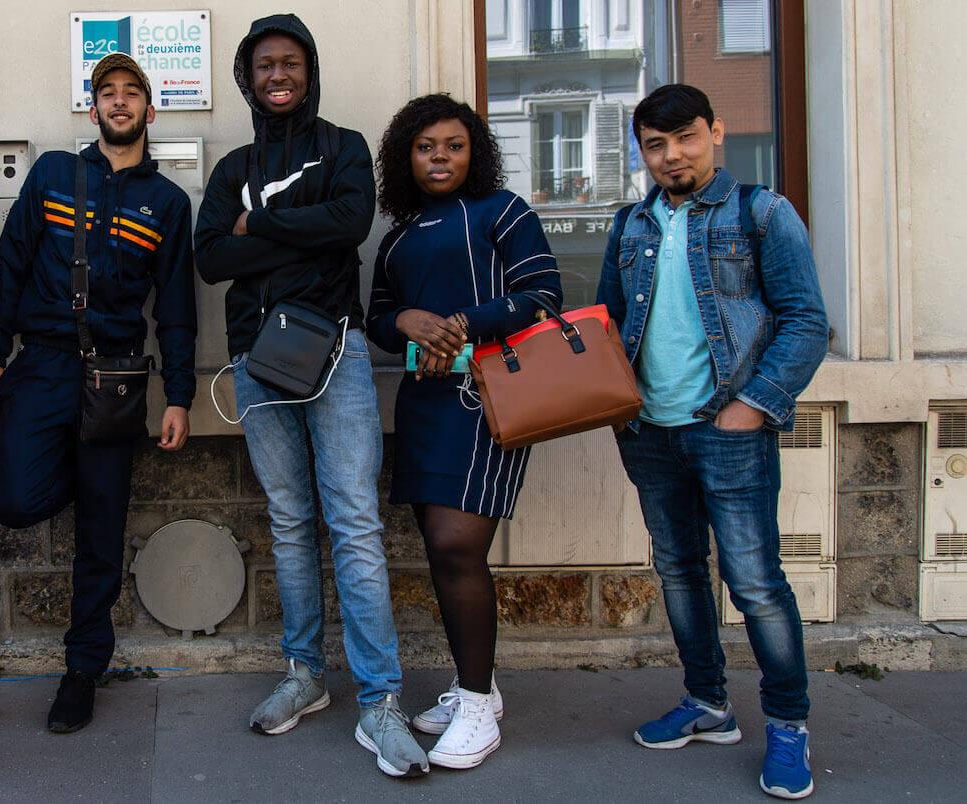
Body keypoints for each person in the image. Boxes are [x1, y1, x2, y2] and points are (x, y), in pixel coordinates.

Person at [194, 14, 427, 778]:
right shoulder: (232, 164)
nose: (277, 75)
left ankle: (380, 702)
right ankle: (304, 676)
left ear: (309, 70)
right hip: (257, 362)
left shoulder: (345, 147)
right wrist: (301, 231)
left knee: (353, 522)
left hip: (337, 352)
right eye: (264, 65)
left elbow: (350, 222)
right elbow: (210, 257)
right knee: (291, 521)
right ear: (247, 77)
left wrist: (259, 223)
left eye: (290, 62)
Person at [596, 84, 829, 800]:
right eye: (656, 145)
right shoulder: (629, 224)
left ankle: (788, 726)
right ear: (642, 150)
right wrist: (611, 401)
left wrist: (754, 406)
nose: (672, 156)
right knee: (681, 574)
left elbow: (806, 321)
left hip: (730, 428)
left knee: (755, 583)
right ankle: (708, 704)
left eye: (685, 139)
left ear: (716, 133)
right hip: (651, 431)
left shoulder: (761, 213)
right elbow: (607, 320)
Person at [0, 53, 197, 734]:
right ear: (93, 107)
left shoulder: (166, 202)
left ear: (149, 110)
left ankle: (82, 672)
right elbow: (12, 260)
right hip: (42, 366)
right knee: (15, 498)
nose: (119, 101)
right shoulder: (52, 173)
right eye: (107, 92)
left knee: (101, 538)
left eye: (132, 92)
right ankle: (85, 477)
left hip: (116, 377)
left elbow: (177, 306)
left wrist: (180, 394)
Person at [366, 94, 562, 770]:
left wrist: (461, 324)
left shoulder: (502, 212)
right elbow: (378, 317)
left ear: (473, 151)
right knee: (445, 551)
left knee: (456, 548)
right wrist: (405, 323)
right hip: (423, 404)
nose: (440, 156)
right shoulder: (395, 238)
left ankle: (477, 705)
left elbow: (542, 295)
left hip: (490, 399)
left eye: (453, 144)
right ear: (405, 158)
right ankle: (477, 687)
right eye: (425, 147)